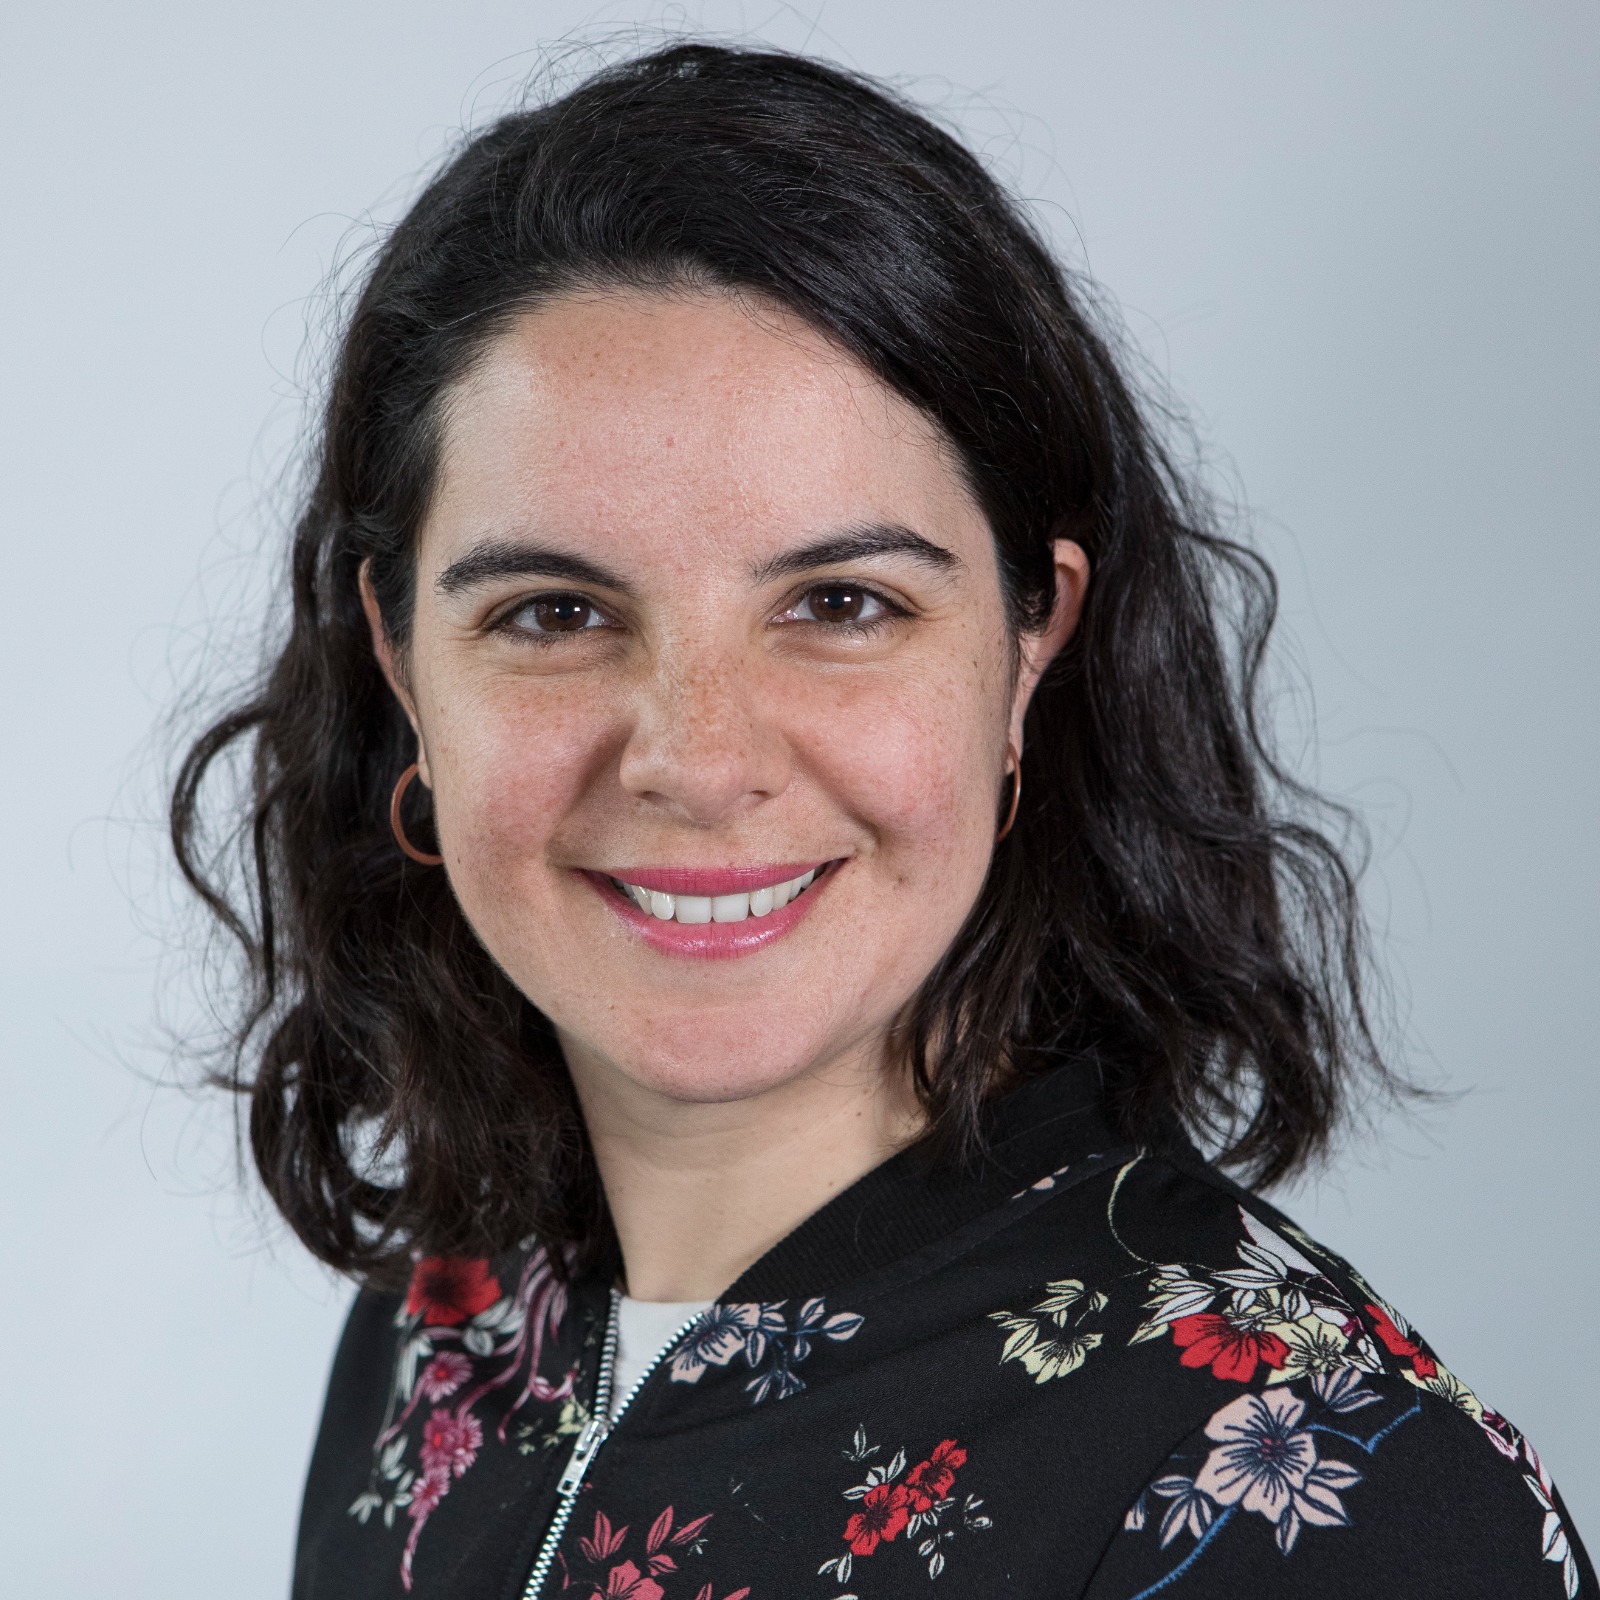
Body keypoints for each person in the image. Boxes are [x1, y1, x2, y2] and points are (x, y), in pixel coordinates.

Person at [172, 42, 1591, 1600]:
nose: (697, 760)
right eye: (555, 612)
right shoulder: (444, 1330)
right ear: (403, 666)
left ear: (1029, 647)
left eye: (841, 603)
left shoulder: (1314, 1490)